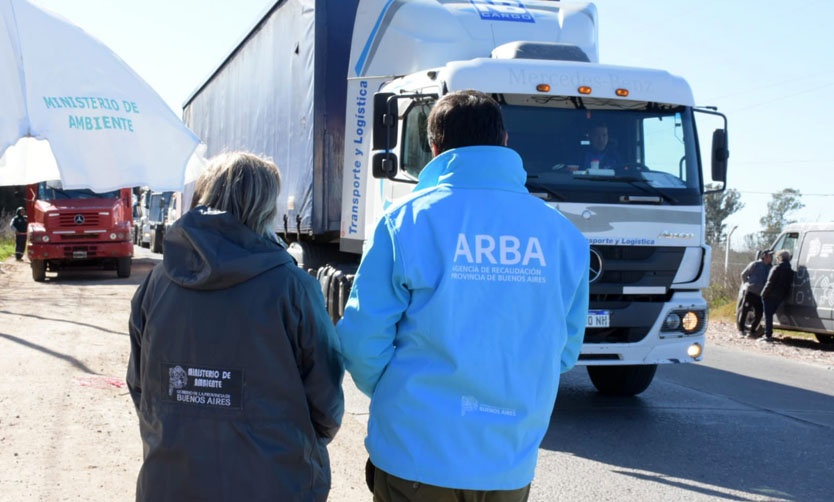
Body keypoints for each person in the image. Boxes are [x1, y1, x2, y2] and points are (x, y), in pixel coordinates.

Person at [337, 90, 589, 501]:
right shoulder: (563, 236)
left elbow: (363, 342)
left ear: (434, 148)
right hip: (508, 467)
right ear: (504, 142)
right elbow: (563, 351)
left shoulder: (405, 223)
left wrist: (401, 395)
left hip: (415, 458)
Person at [126, 152, 344, 502]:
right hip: (275, 483)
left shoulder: (156, 283)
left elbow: (142, 388)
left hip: (170, 483)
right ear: (263, 208)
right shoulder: (292, 286)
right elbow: (326, 402)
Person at [759, 249, 795, 343]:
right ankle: (768, 334)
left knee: (768, 315)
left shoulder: (776, 268)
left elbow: (770, 282)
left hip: (770, 294)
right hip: (780, 296)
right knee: (770, 314)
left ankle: (768, 335)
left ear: (779, 258)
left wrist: (763, 293)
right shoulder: (790, 271)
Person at [736, 249, 773, 337]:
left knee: (759, 313)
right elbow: (743, 274)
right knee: (744, 310)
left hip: (760, 294)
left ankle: (752, 331)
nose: (771, 258)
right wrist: (747, 284)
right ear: (764, 256)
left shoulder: (770, 268)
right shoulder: (755, 264)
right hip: (750, 292)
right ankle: (741, 330)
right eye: (769, 256)